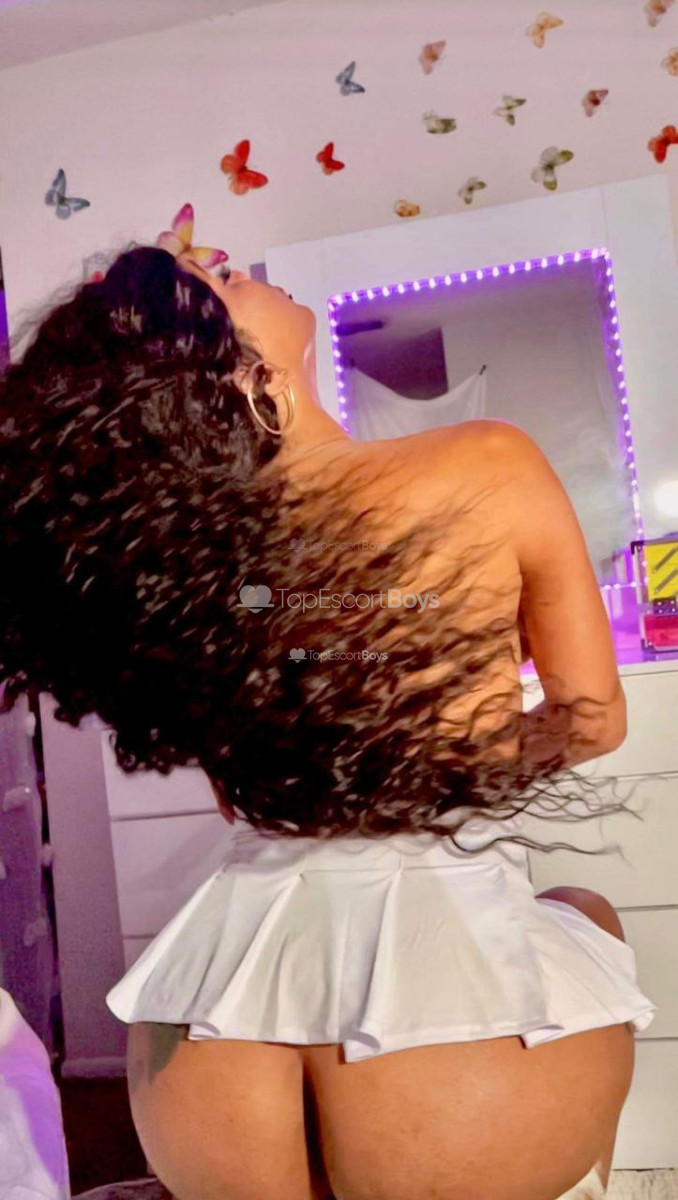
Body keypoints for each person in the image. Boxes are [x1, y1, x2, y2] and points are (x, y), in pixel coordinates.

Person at [0, 210, 656, 1200]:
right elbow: (593, 717)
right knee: (585, 913)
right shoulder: (487, 462)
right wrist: (442, 763)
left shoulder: (191, 559)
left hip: (205, 1055)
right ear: (243, 375)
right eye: (224, 281)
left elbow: (238, 798)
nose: (239, 265)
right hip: (456, 1057)